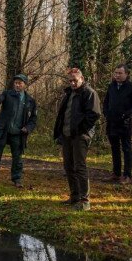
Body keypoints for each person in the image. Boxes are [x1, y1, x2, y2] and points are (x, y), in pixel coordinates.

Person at [52, 68, 102, 211]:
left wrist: (81, 129)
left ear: (82, 78)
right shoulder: (69, 93)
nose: (73, 83)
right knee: (68, 166)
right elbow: (63, 115)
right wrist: (60, 132)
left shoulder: (89, 93)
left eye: (75, 80)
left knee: (80, 167)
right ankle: (74, 196)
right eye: (70, 80)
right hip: (67, 135)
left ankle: (84, 201)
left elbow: (94, 114)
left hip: (81, 136)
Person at [0, 74, 38, 188]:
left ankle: (17, 179)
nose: (17, 85)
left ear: (25, 85)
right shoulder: (7, 94)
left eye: (20, 83)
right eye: (16, 83)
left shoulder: (30, 101)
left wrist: (27, 128)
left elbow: (33, 119)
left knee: (17, 158)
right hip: (3, 131)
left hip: (18, 134)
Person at [102, 64, 132, 184]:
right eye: (116, 73)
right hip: (112, 122)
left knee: (126, 148)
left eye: (120, 73)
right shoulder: (111, 86)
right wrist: (106, 113)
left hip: (125, 123)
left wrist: (127, 115)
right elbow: (106, 102)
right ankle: (116, 173)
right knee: (114, 148)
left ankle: (127, 175)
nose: (117, 75)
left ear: (126, 74)